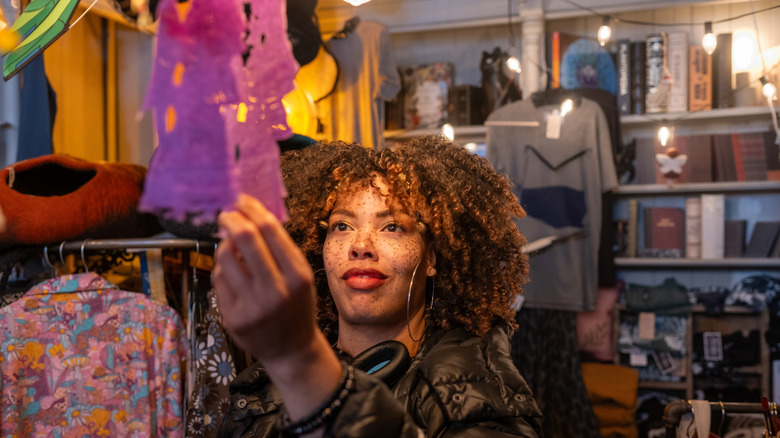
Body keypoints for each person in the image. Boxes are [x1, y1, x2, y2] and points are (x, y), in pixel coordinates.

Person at [213, 135, 543, 437]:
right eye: (342, 225)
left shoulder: (478, 387)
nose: (361, 245)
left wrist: (302, 362)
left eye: (393, 227)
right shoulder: (261, 390)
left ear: (431, 258)